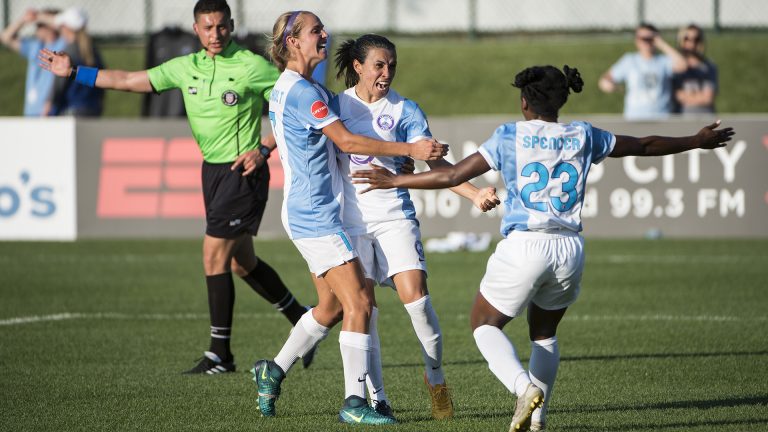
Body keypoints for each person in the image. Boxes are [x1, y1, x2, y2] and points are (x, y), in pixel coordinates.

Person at [352, 65, 734, 431]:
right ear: (560, 101)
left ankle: (523, 388)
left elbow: (452, 174)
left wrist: (394, 180)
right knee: (544, 335)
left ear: (525, 103)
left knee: (483, 324)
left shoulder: (509, 136)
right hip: (569, 249)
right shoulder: (584, 135)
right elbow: (644, 145)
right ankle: (538, 421)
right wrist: (696, 141)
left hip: (526, 244)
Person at [38, 0, 320, 375]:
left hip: (243, 173)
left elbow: (295, 104)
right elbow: (127, 80)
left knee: (212, 256)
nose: (215, 34)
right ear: (195, 29)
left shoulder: (251, 66)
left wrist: (264, 148)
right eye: (207, 27)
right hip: (213, 173)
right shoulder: (185, 67)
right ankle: (302, 318)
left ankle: (220, 354)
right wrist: (73, 71)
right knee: (241, 262)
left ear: (231, 25)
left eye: (221, 26)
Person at [250, 11, 447, 425]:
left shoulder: (296, 88)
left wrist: (263, 148)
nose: (324, 35)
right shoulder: (305, 92)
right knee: (359, 301)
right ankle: (355, 403)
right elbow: (348, 139)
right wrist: (408, 153)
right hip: (316, 214)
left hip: (313, 211)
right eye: (314, 31)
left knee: (332, 307)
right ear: (292, 42)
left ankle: (274, 370)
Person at [332, 33, 500, 421]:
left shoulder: (405, 110)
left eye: (392, 65)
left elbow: (437, 168)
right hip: (350, 222)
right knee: (364, 309)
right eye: (379, 65)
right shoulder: (336, 107)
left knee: (417, 299)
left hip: (394, 216)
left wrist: (473, 195)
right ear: (358, 67)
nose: (387, 72)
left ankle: (436, 377)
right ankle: (377, 400)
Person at [599, 22, 687, 120]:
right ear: (636, 40)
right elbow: (606, 79)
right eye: (642, 38)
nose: (646, 42)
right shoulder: (629, 60)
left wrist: (661, 44)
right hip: (634, 118)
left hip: (661, 117)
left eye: (649, 39)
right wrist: (607, 84)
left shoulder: (663, 61)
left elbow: (683, 65)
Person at [0, 8, 65, 116]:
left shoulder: (62, 45)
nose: (36, 28)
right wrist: (23, 20)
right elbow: (6, 37)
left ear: (52, 27)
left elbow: (65, 24)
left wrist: (40, 17)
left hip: (51, 111)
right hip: (31, 111)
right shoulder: (36, 46)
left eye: (40, 25)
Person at [42, 7, 105, 116]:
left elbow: (58, 84)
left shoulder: (68, 52)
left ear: (67, 28)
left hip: (70, 110)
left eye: (61, 26)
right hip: (93, 109)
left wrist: (48, 106)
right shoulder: (92, 50)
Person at [672, 24, 718, 115]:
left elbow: (708, 98)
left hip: (706, 117)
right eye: (687, 39)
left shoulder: (709, 66)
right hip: (682, 118)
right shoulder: (673, 65)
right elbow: (676, 96)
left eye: (696, 39)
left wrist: (686, 96)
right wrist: (699, 96)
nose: (692, 43)